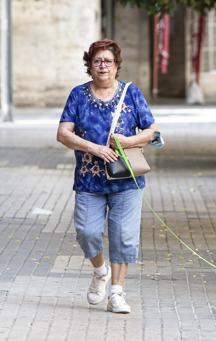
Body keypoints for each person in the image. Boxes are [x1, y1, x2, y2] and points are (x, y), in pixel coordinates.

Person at [57, 39, 158, 314]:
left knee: (123, 236)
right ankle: (100, 271)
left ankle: (117, 292)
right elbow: (63, 133)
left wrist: (125, 142)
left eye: (108, 61)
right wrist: (95, 148)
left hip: (127, 179)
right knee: (87, 232)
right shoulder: (78, 95)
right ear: (89, 65)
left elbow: (151, 131)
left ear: (116, 66)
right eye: (97, 61)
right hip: (89, 180)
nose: (103, 66)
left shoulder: (131, 93)